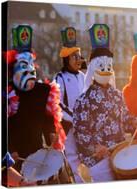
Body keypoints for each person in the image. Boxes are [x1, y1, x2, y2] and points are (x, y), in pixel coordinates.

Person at [73, 24, 137, 182]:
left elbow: (124, 118)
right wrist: (95, 147)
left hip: (120, 153)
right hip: (99, 160)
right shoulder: (83, 100)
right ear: (92, 68)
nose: (105, 70)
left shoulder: (117, 95)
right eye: (101, 66)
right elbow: (80, 132)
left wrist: (134, 122)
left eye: (108, 66)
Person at [6, 25, 66, 171]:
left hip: (36, 154)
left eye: (31, 65)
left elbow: (47, 121)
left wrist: (52, 137)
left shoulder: (43, 91)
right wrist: (10, 149)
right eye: (24, 65)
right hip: (13, 157)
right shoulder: (6, 93)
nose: (30, 70)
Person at [55, 27, 85, 183]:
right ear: (67, 59)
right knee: (72, 157)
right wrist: (74, 118)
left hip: (84, 125)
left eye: (79, 56)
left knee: (86, 157)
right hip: (69, 126)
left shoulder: (83, 76)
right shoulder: (60, 77)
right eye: (75, 57)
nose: (79, 59)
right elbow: (58, 102)